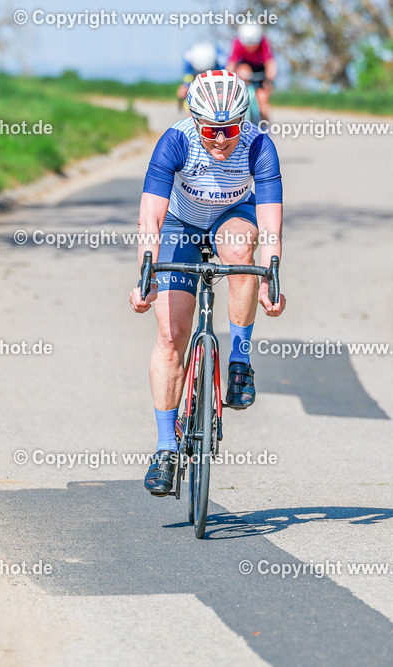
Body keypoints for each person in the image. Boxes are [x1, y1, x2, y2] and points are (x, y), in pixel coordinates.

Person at [129, 70, 286, 496]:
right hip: (179, 224)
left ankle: (239, 362)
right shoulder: (175, 141)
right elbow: (151, 218)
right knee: (171, 337)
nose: (220, 139)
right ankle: (166, 448)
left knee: (240, 250)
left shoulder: (258, 146)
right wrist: (146, 275)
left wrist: (271, 277)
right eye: (211, 130)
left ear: (243, 122)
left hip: (232, 216)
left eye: (229, 129)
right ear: (195, 121)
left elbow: (270, 226)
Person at [226, 24, 276, 122]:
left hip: (260, 69)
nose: (250, 49)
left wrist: (269, 80)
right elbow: (231, 64)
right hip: (245, 67)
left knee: (263, 101)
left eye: (253, 46)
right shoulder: (238, 42)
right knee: (244, 71)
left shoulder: (264, 43)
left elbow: (270, 64)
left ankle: (264, 127)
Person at [177, 42, 221, 107]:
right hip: (194, 76)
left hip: (215, 78)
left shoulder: (220, 59)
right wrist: (185, 86)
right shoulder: (188, 58)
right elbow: (187, 79)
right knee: (185, 93)